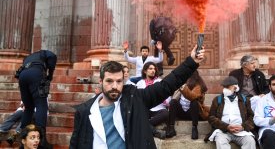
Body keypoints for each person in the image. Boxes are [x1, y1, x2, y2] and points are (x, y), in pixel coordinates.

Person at [69, 45, 205, 149]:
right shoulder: (84, 112)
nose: (115, 86)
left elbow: (167, 85)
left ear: (124, 81)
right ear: (101, 82)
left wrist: (191, 62)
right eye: (109, 81)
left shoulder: (135, 99)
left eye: (119, 81)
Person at [18, 50, 57, 149]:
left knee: (29, 108)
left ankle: (23, 140)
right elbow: (52, 56)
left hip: (22, 75)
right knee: (41, 105)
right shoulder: (46, 53)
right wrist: (50, 75)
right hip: (36, 73)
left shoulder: (29, 57)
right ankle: (42, 141)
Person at [204, 76, 256, 149]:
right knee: (220, 141)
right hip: (223, 131)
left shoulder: (244, 100)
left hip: (242, 131)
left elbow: (251, 117)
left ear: (235, 88)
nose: (225, 89)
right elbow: (211, 117)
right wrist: (226, 126)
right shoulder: (218, 100)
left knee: (250, 141)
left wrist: (243, 127)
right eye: (224, 87)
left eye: (228, 87)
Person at [166, 70, 210, 140]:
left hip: (193, 114)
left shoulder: (199, 86)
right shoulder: (183, 84)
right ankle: (171, 128)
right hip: (182, 112)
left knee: (194, 102)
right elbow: (173, 97)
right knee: (173, 102)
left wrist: (183, 87)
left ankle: (194, 128)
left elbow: (192, 96)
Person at [136, 62, 170, 139]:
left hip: (158, 109)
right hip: (145, 109)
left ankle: (145, 125)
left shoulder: (160, 82)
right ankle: (154, 131)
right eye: (150, 69)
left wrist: (164, 100)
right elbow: (136, 98)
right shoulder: (139, 83)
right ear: (145, 71)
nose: (153, 71)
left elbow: (168, 97)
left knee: (165, 113)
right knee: (138, 114)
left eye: (154, 69)